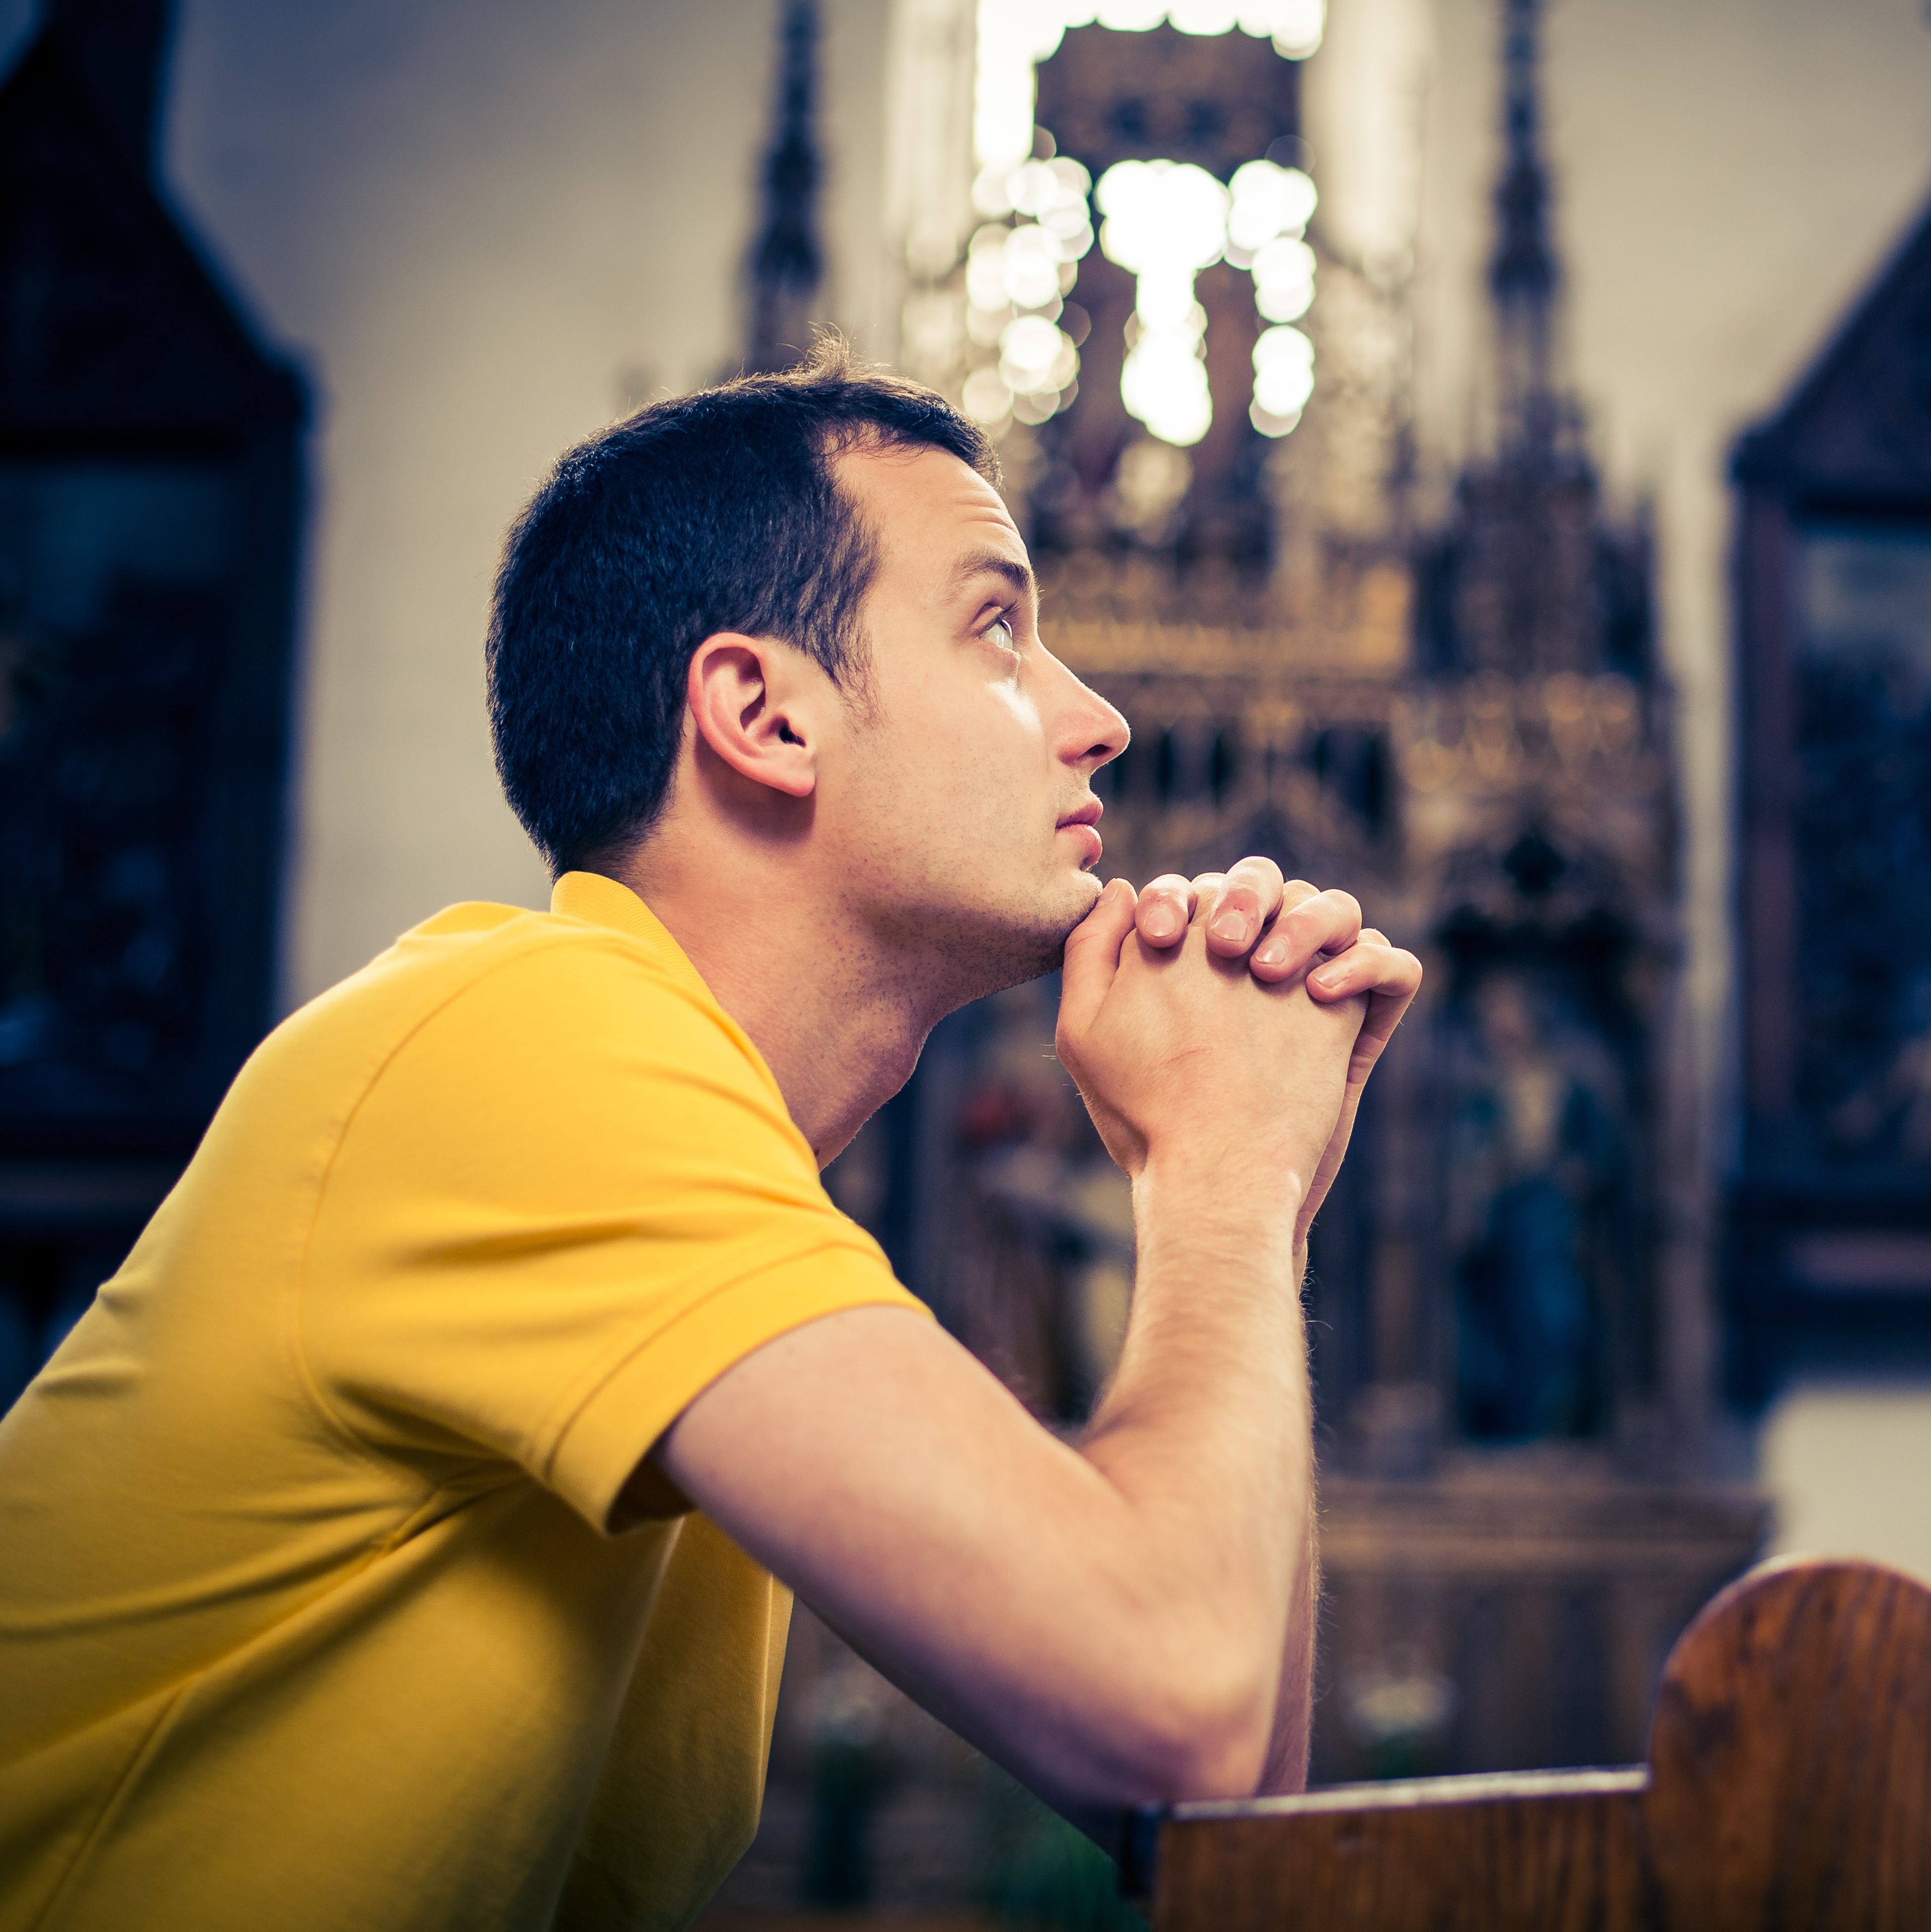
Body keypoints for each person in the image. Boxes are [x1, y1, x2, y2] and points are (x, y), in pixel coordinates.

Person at [0, 347, 1420, 1931]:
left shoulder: (713, 1163)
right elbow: (1177, 1707)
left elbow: (1220, 1805)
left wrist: (1246, 1189)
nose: (1099, 722)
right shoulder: (529, 1038)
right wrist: (1225, 1159)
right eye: (1000, 628)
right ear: (762, 713)